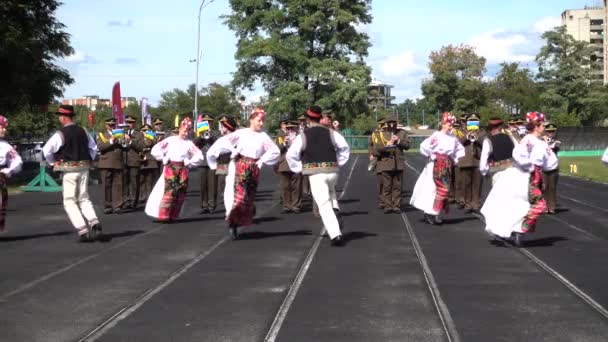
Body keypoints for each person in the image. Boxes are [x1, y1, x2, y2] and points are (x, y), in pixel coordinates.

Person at [207, 108, 280, 240]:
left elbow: (275, 151)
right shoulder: (241, 133)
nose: (261, 123)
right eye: (259, 120)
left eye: (263, 121)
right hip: (238, 166)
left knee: (248, 197)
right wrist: (232, 150)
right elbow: (223, 142)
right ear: (251, 119)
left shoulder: (263, 136)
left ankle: (240, 218)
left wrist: (263, 160)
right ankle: (232, 222)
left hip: (253, 168)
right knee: (236, 195)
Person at [482, 112, 551, 247]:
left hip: (515, 174)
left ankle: (517, 230)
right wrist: (532, 166)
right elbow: (518, 155)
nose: (544, 128)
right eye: (542, 125)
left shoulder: (525, 139)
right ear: (536, 126)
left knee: (519, 206)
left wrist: (484, 171)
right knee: (537, 205)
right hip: (523, 176)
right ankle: (519, 230)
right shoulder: (525, 140)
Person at [286, 105, 350, 246]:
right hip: (332, 171)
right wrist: (338, 162)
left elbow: (291, 155)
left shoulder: (303, 136)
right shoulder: (332, 133)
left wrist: (300, 168)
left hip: (315, 174)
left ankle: (335, 234)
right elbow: (345, 148)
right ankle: (336, 209)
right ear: (320, 118)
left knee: (323, 204)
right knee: (331, 193)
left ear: (308, 119)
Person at [42, 105, 102, 242]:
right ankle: (94, 222)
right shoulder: (84, 131)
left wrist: (53, 163)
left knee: (69, 201)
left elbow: (46, 151)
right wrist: (89, 160)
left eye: (59, 116)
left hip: (69, 171)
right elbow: (93, 148)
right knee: (84, 197)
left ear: (63, 118)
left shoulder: (60, 134)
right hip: (84, 169)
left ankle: (83, 230)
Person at [145, 117, 205, 223]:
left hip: (183, 169)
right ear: (180, 128)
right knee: (170, 191)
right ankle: (163, 215)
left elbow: (199, 156)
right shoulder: (170, 140)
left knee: (181, 192)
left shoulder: (189, 143)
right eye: (184, 129)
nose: (186, 132)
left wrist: (190, 162)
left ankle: (174, 215)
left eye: (188, 130)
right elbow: (155, 149)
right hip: (171, 167)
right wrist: (163, 158)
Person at [410, 112, 465, 225]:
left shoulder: (452, 137)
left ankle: (436, 213)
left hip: (446, 165)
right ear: (443, 124)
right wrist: (432, 155)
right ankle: (429, 213)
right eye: (449, 124)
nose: (450, 127)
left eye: (452, 125)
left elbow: (459, 149)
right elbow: (424, 146)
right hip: (434, 165)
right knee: (432, 188)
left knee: (443, 190)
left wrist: (454, 159)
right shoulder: (436, 135)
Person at [371, 115, 410, 214]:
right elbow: (375, 151)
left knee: (397, 186)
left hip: (399, 163)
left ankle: (396, 205)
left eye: (394, 123)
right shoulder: (381, 134)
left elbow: (407, 146)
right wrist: (386, 146)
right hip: (385, 163)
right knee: (387, 187)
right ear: (386, 124)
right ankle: (388, 205)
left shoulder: (402, 133)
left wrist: (399, 141)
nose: (392, 125)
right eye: (390, 123)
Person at [97, 117, 125, 214]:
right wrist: (111, 141)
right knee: (106, 186)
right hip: (106, 163)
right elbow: (100, 147)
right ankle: (107, 206)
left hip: (118, 162)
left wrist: (125, 140)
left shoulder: (120, 135)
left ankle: (118, 205)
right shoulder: (101, 135)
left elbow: (125, 147)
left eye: (113, 125)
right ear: (106, 125)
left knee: (118, 185)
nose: (112, 127)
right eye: (110, 125)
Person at [457, 113, 483, 213]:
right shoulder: (462, 132)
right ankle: (467, 204)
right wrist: (466, 136)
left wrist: (477, 136)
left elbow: (485, 141)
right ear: (467, 122)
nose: (473, 123)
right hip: (465, 161)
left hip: (478, 161)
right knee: (466, 184)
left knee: (477, 184)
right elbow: (457, 142)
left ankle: (476, 204)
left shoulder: (481, 132)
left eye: (475, 121)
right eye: (471, 121)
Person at [0, 115, 23, 232]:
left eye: (5, 127)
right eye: (2, 127)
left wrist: (8, 170)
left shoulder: (5, 146)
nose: (5, 130)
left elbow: (17, 161)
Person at [193, 114, 219, 214]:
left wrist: (210, 136)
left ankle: (212, 205)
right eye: (205, 122)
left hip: (212, 162)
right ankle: (204, 205)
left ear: (212, 122)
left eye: (209, 122)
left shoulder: (216, 133)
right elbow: (194, 143)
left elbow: (218, 143)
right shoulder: (199, 133)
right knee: (203, 185)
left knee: (212, 185)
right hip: (202, 161)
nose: (207, 123)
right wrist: (201, 136)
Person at [479, 117, 517, 187]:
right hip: (512, 172)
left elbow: (483, 163)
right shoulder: (511, 137)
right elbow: (518, 154)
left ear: (489, 128)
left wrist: (485, 173)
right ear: (500, 126)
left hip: (497, 174)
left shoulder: (488, 141)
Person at [276, 120, 302, 213]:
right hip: (284, 164)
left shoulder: (300, 138)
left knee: (297, 186)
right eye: (288, 128)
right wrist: (283, 143)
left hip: (296, 164)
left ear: (297, 128)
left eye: (292, 128)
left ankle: (296, 205)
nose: (290, 130)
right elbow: (277, 149)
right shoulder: (281, 137)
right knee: (285, 186)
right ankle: (287, 205)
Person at [213, 116, 238, 212]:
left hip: (233, 162)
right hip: (222, 162)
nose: (223, 128)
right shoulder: (219, 138)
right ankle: (224, 200)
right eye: (222, 126)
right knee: (222, 182)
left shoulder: (236, 137)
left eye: (224, 126)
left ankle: (233, 200)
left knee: (234, 182)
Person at [123, 115, 145, 210]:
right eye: (128, 122)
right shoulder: (122, 133)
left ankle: (133, 201)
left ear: (134, 124)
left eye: (131, 123)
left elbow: (141, 147)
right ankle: (126, 200)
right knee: (124, 182)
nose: (129, 124)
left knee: (134, 182)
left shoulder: (139, 134)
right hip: (124, 160)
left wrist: (130, 141)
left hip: (134, 161)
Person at [542, 122, 560, 214]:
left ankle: (552, 207)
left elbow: (555, 148)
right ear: (546, 132)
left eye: (552, 131)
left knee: (552, 187)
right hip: (543, 167)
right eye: (549, 131)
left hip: (554, 167)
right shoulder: (541, 140)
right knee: (544, 187)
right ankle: (545, 206)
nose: (551, 133)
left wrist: (546, 142)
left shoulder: (557, 140)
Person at [138, 124, 160, 204]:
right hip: (140, 161)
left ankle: (149, 197)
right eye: (143, 131)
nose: (145, 132)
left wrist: (149, 138)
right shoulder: (138, 138)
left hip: (150, 161)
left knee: (149, 181)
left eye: (147, 131)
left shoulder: (153, 138)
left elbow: (149, 145)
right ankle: (142, 196)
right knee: (141, 180)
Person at [368, 119, 386, 208]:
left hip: (388, 157)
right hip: (378, 158)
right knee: (381, 181)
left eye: (382, 124)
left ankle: (388, 200)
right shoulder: (375, 133)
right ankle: (382, 200)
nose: (381, 125)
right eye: (380, 124)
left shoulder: (389, 132)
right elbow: (370, 144)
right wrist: (371, 153)